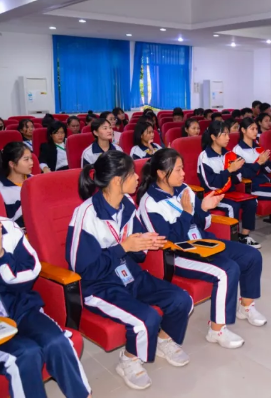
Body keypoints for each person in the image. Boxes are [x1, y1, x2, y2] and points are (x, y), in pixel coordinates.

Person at [0, 161, 92, 398]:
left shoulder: (6, 227)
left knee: (58, 342)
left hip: (18, 306)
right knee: (26, 354)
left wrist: (1, 257)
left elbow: (29, 276)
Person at [66, 151, 192, 390]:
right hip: (98, 286)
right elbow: (82, 270)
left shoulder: (127, 204)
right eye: (132, 174)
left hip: (128, 273)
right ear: (117, 180)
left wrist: (145, 242)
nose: (137, 178)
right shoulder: (86, 214)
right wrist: (123, 247)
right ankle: (129, 360)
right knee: (147, 318)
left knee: (181, 299)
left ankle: (164, 339)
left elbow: (137, 252)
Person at [137, 149, 266, 350]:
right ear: (161, 174)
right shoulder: (150, 203)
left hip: (202, 243)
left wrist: (204, 208)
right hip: (177, 254)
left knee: (252, 255)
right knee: (227, 270)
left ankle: (246, 306)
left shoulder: (184, 189)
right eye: (178, 170)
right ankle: (217, 330)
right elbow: (168, 241)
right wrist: (187, 213)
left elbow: (202, 224)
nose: (183, 174)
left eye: (182, 169)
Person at [198, 121, 261, 249]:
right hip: (212, 195)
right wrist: (229, 170)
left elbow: (239, 178)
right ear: (213, 137)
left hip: (229, 192)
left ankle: (244, 236)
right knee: (232, 206)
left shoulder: (229, 154)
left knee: (251, 201)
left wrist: (236, 171)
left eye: (228, 134)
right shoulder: (205, 157)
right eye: (224, 135)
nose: (228, 138)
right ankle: (233, 242)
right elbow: (210, 184)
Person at [0, 142, 33, 228]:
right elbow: (0, 223)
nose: (31, 162)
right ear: (12, 164)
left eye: (31, 158)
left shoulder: (35, 180)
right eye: (26, 159)